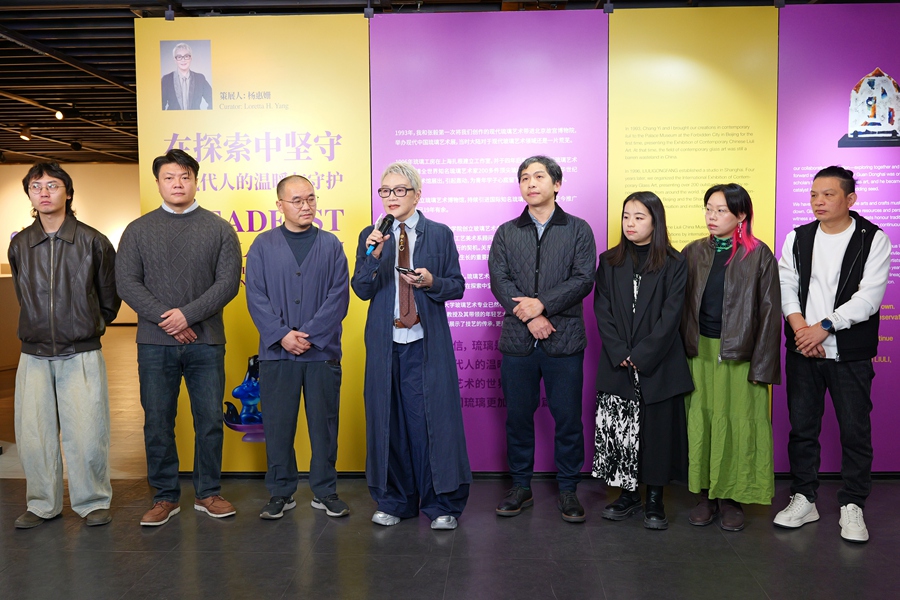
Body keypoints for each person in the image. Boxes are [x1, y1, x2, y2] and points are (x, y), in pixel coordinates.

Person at [116, 149, 242, 526]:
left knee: (209, 420)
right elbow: (127, 283)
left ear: (196, 181)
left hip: (206, 341)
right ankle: (165, 496)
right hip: (155, 345)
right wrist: (168, 319)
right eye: (169, 177)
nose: (177, 184)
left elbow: (227, 284)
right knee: (157, 421)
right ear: (158, 183)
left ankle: (208, 492)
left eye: (185, 177)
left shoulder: (220, 229)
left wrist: (187, 315)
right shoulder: (138, 230)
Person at [351, 162, 471, 530]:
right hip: (385, 345)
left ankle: (441, 504)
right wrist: (372, 255)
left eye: (399, 190)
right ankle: (395, 501)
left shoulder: (439, 234)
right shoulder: (372, 235)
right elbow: (361, 289)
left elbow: (457, 286)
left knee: (431, 422)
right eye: (385, 191)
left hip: (424, 343)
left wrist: (433, 282)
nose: (391, 197)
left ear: (417, 195)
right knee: (389, 422)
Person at [775, 166, 890, 543]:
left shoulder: (872, 238)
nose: (818, 202)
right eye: (813, 195)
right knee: (802, 428)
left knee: (855, 430)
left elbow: (869, 298)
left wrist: (823, 327)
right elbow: (786, 285)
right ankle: (804, 498)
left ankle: (853, 503)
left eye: (828, 194)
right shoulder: (798, 237)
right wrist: (800, 330)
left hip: (849, 353)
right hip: (803, 350)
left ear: (850, 199)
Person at [8, 162, 120, 529]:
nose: (44, 192)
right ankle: (42, 503)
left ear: (68, 193)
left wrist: (91, 324)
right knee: (34, 435)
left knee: (87, 433)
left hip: (81, 352)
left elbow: (109, 297)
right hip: (34, 353)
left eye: (52, 185)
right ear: (29, 194)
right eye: (36, 186)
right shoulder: (20, 244)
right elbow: (23, 294)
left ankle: (93, 501)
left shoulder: (93, 241)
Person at [489, 155, 596, 523]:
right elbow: (499, 280)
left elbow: (583, 278)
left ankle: (568, 489)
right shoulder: (506, 232)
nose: (531, 183)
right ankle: (521, 486)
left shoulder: (578, 229)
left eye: (538, 176)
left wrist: (543, 305)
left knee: (568, 419)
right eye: (524, 178)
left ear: (557, 184)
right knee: (518, 418)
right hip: (519, 342)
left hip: (563, 340)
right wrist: (533, 316)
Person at [245, 175, 350, 520]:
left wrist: (309, 335)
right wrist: (282, 335)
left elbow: (338, 297)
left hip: (322, 354)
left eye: (311, 199)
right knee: (278, 426)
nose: (306, 206)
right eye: (297, 200)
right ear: (280, 205)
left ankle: (325, 490)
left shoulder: (331, 245)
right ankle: (280, 492)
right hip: (276, 354)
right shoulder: (262, 245)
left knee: (324, 426)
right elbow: (255, 295)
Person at [681, 183, 781, 532]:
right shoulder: (692, 252)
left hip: (741, 355)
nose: (711, 216)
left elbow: (770, 312)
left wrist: (763, 366)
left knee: (738, 423)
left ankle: (732, 498)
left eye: (721, 210)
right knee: (702, 423)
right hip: (699, 352)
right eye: (708, 208)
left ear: (741, 215)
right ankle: (704, 495)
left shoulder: (759, 254)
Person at [593, 192, 692, 530]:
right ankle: (627, 494)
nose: (630, 223)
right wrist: (620, 351)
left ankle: (655, 499)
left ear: (655, 221)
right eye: (626, 216)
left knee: (657, 433)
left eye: (639, 217)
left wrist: (642, 354)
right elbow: (602, 310)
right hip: (618, 363)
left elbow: (671, 316)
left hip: (659, 363)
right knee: (622, 430)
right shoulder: (609, 261)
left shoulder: (675, 263)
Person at [161, 42, 212, 110]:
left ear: (191, 58)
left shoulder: (200, 79)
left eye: (186, 56)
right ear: (175, 60)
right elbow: (160, 106)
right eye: (179, 57)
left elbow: (213, 100)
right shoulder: (166, 79)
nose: (183, 60)